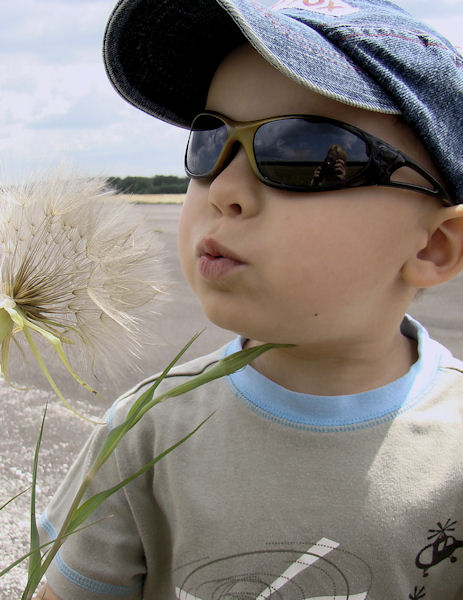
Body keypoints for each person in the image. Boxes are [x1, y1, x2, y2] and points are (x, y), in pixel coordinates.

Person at [36, 0, 463, 598]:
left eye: (303, 153)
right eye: (210, 143)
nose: (226, 189)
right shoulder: (146, 432)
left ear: (435, 247)